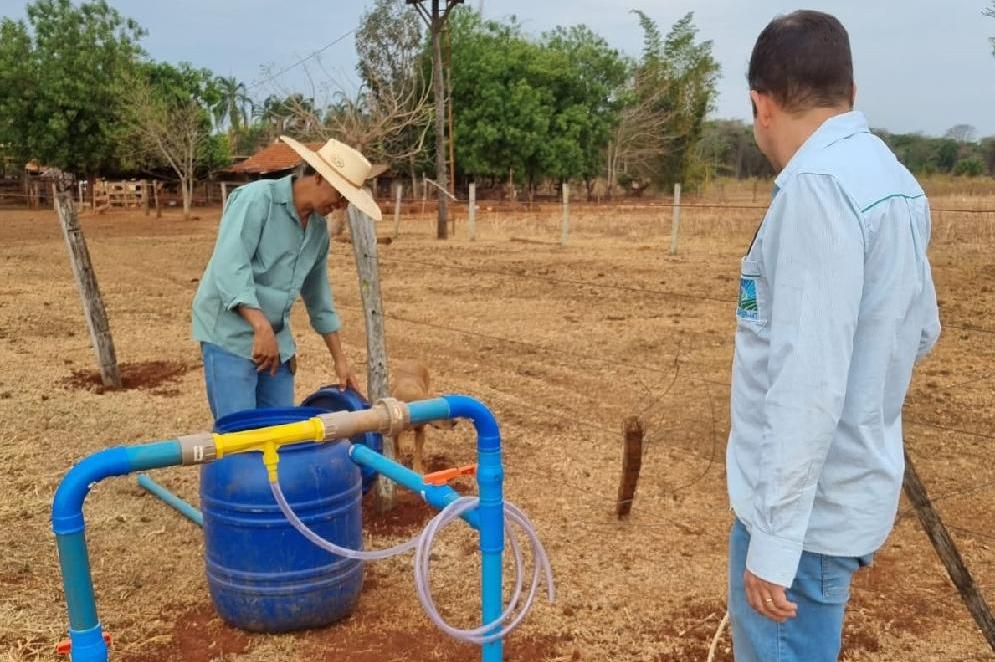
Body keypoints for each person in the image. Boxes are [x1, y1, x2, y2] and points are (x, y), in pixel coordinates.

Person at [726, 10, 941, 661]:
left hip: (804, 523)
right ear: (849, 92)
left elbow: (806, 383)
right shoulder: (893, 180)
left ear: (759, 103)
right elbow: (922, 328)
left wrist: (773, 543)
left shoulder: (814, 190)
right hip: (847, 496)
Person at [192, 137, 382, 421]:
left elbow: (319, 297)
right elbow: (229, 266)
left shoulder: (318, 232)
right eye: (341, 195)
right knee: (239, 439)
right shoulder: (256, 200)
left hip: (275, 341)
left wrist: (340, 360)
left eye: (347, 201)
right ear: (319, 177)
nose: (341, 206)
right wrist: (260, 326)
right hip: (229, 336)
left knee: (281, 436)